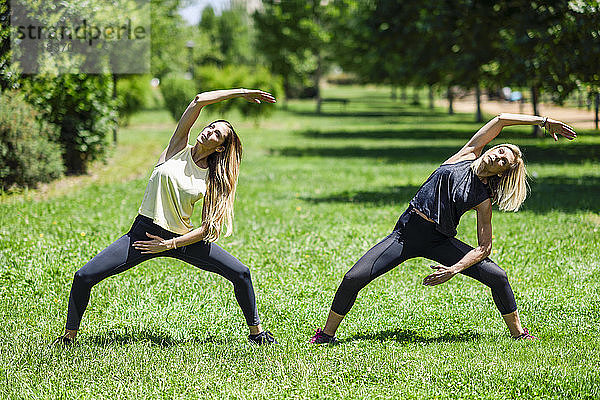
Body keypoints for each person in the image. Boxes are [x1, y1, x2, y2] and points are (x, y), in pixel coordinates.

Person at [310, 113, 577, 344]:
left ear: (500, 173)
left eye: (503, 162)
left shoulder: (482, 198)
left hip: (439, 241)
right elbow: (500, 120)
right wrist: (543, 122)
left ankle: (519, 334)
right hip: (406, 233)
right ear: (491, 148)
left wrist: (455, 268)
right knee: (352, 278)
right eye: (500, 151)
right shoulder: (465, 154)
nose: (497, 157)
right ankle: (327, 334)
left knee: (498, 276)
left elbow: (485, 247)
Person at [54, 88, 278, 345]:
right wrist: (240, 93)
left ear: (220, 148)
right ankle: (68, 338)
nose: (209, 131)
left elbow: (208, 228)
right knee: (84, 277)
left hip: (181, 240)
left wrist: (169, 245)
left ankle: (257, 334)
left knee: (241, 273)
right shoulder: (177, 148)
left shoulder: (214, 178)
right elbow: (198, 100)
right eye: (211, 126)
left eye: (218, 134)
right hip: (143, 234)